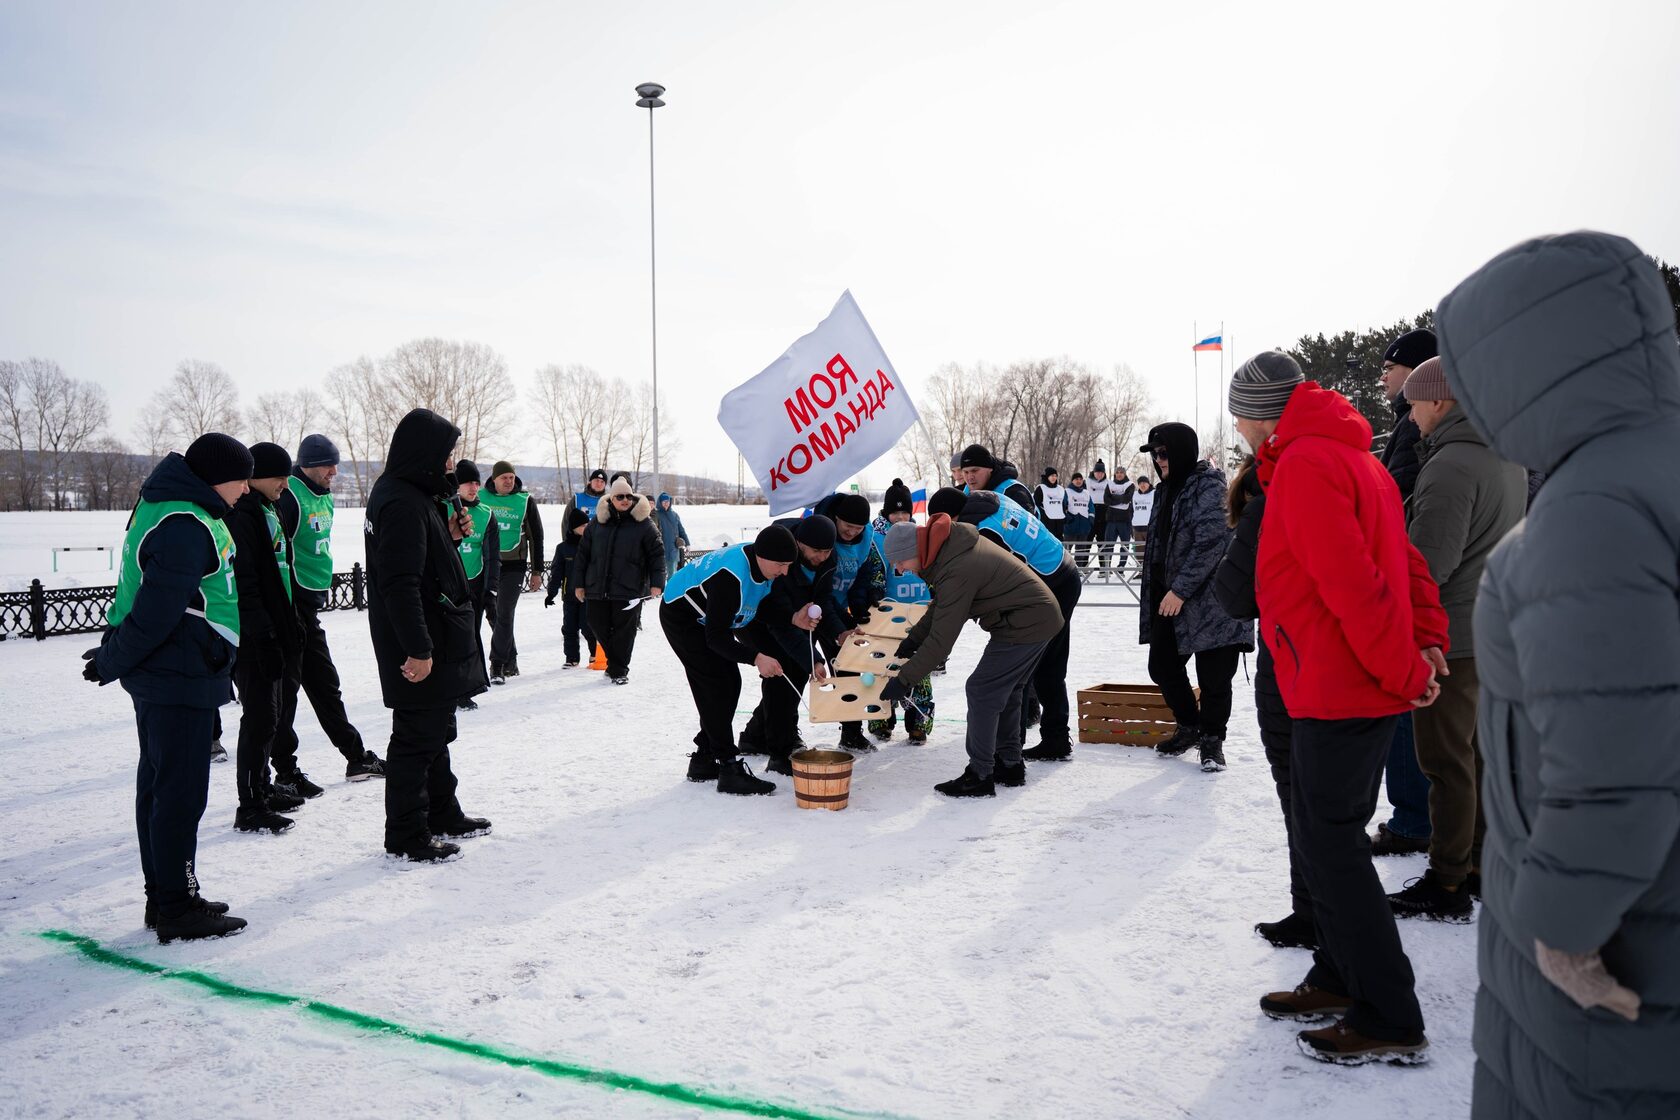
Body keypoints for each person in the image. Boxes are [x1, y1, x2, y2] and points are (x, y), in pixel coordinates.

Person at [1436, 231, 1680, 1118]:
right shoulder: (1653, 465)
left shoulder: (1596, 510)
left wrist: (1563, 926)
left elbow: (1615, 754)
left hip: (1626, 943)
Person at [1230, 350, 1448, 1065]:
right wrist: (1428, 643)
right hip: (1336, 676)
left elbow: (1354, 581)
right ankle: (1336, 973)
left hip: (1341, 682)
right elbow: (1407, 560)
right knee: (1323, 839)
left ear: (1259, 415)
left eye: (1239, 416)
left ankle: (1388, 1013)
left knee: (1332, 846)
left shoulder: (1309, 464)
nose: (1236, 430)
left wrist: (1407, 667)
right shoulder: (1352, 455)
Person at [85, 432, 254, 942]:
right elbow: (158, 611)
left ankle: (166, 898)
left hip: (175, 669)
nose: (245, 490)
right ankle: (177, 909)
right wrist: (113, 658)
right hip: (177, 673)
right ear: (217, 478)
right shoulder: (184, 522)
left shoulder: (180, 510)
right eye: (241, 480)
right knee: (178, 795)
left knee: (160, 788)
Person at [1384, 357, 1527, 923]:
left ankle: (1446, 883)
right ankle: (1478, 864)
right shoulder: (1505, 456)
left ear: (1439, 402)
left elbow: (1428, 567)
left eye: (1414, 403)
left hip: (1453, 636)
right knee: (1483, 755)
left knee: (1446, 762)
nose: (1410, 414)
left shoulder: (1449, 467)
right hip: (1495, 627)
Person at [365, 409, 492, 863]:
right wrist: (418, 649)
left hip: (434, 634)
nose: (450, 465)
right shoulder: (401, 501)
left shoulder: (413, 496)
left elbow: (420, 564)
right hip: (420, 641)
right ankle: (406, 834)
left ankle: (441, 812)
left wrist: (450, 537)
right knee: (417, 738)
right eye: (445, 455)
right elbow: (399, 584)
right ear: (424, 453)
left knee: (436, 732)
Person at [879, 515, 1062, 797]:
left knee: (982, 690)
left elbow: (942, 641)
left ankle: (980, 774)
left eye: (899, 561)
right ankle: (1009, 764)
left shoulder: (957, 567)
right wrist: (914, 639)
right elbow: (941, 606)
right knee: (1009, 689)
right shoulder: (949, 552)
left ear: (913, 552)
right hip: (1034, 617)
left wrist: (904, 680)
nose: (898, 569)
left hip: (1026, 622)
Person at [1214, 457, 1314, 950]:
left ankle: (1315, 914)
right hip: (1328, 660)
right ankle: (1317, 910)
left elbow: (1231, 592)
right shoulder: (1354, 481)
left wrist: (1251, 525)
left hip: (1294, 658)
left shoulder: (1266, 506)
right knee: (1323, 800)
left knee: (1301, 793)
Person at [927, 485, 1082, 761]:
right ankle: (1048, 739)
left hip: (1052, 583)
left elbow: (996, 581)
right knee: (1043, 667)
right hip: (1061, 570)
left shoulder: (984, 532)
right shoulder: (990, 500)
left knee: (1018, 667)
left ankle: (1012, 748)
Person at [1137, 422, 1253, 773]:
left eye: (1163, 453)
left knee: (1215, 676)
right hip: (1169, 597)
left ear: (1182, 450)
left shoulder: (1210, 487)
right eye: (1155, 455)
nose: (1159, 461)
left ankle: (1213, 740)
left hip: (1213, 599)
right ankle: (1190, 725)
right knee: (1162, 666)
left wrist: (1180, 589)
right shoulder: (1163, 490)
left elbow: (1212, 543)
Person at [272, 433, 384, 798]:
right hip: (290, 607)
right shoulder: (289, 496)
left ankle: (356, 758)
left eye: (335, 465)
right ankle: (284, 773)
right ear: (307, 464)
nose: (334, 472)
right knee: (285, 695)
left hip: (310, 607)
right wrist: (282, 608)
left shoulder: (322, 495)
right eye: (327, 465)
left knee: (325, 684)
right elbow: (274, 554)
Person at [659, 525, 798, 795]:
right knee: (719, 683)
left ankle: (704, 757)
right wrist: (756, 657)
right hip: (682, 617)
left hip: (707, 619)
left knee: (726, 684)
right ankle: (728, 768)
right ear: (762, 555)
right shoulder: (730, 578)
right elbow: (717, 638)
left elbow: (759, 607)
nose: (785, 571)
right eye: (781, 564)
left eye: (789, 565)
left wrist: (793, 617)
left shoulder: (764, 567)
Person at [1370, 328, 1440, 859]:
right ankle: (1417, 815)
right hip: (1417, 589)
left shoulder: (1417, 432)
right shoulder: (1406, 427)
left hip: (1414, 591)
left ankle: (1414, 819)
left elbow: (1404, 509)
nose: (1384, 377)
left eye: (1391, 368)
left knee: (1407, 713)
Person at [227, 442, 308, 834]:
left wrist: (291, 623)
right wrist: (263, 635)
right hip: (255, 637)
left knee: (272, 717)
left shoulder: (267, 509)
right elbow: (246, 584)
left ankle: (263, 786)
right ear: (255, 476)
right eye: (280, 476)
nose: (286, 483)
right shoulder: (242, 516)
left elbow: (280, 573)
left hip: (277, 629)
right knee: (258, 719)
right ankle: (251, 804)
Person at [741, 515, 846, 774]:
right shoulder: (781, 561)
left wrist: (840, 633)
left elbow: (823, 603)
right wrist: (812, 659)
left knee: (796, 668)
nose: (823, 557)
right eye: (816, 551)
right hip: (756, 619)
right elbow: (781, 622)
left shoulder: (827, 561)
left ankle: (755, 736)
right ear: (799, 544)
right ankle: (780, 752)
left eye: (828, 551)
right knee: (784, 668)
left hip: (790, 619)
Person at [809, 491, 881, 753]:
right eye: (847, 526)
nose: (852, 532)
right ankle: (761, 734)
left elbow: (862, 572)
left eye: (857, 527)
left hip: (836, 608)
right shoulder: (821, 532)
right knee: (796, 669)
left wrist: (860, 605)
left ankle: (852, 733)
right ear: (836, 519)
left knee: (849, 668)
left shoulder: (866, 538)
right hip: (810, 605)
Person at [573, 477, 664, 684]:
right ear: (611, 498)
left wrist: (657, 582)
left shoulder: (644, 523)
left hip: (629, 587)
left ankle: (619, 669)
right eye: (620, 496)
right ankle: (615, 662)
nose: (625, 500)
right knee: (595, 623)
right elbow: (583, 554)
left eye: (628, 496)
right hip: (597, 585)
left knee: (625, 630)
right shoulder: (598, 522)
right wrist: (579, 583)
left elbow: (657, 554)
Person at [867, 480, 933, 743]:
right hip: (886, 615)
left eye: (904, 513)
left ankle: (919, 721)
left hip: (918, 612)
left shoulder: (920, 536)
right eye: (895, 513)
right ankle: (881, 720)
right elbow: (874, 571)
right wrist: (874, 591)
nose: (900, 517)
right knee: (881, 668)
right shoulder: (876, 538)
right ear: (886, 513)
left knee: (920, 668)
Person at [480, 461, 545, 684]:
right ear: (494, 479)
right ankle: (511, 659)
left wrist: (536, 571)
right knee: (494, 615)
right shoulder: (480, 497)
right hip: (487, 563)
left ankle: (497, 664)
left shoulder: (525, 501)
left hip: (514, 565)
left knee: (505, 612)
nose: (509, 481)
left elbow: (536, 537)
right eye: (504, 477)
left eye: (511, 477)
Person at [448, 460, 500, 712]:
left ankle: (466, 689)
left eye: (477, 483)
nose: (473, 487)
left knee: (470, 636)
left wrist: (491, 590)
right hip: (447, 585)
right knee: (447, 638)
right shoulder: (444, 508)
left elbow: (492, 556)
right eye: (468, 482)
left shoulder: (486, 514)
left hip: (474, 584)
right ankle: (445, 687)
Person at [543, 506, 597, 668]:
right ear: (573, 528)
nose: (586, 528)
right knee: (569, 628)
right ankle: (572, 658)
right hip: (569, 596)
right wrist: (551, 593)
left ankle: (595, 653)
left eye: (587, 525)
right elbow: (556, 573)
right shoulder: (563, 548)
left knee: (588, 627)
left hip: (588, 595)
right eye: (582, 526)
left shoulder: (593, 545)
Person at [956, 443, 1036, 511]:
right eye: (966, 472)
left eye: (975, 471)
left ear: (989, 468)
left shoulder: (1013, 491)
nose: (970, 477)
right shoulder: (965, 494)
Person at [655, 492, 689, 580]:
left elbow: (681, 530)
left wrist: (687, 543)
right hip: (661, 550)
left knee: (672, 574)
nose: (666, 503)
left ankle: (671, 592)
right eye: (664, 501)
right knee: (661, 576)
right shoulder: (657, 515)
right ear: (660, 502)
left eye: (668, 501)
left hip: (674, 550)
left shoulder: (675, 515)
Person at [1063, 471, 1094, 563]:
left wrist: (1090, 520)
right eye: (1076, 479)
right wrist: (1068, 518)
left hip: (1084, 526)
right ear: (1072, 481)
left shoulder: (1086, 493)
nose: (1079, 481)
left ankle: (1079, 569)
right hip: (1071, 526)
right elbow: (1062, 506)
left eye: (1080, 479)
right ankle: (1065, 568)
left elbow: (1091, 507)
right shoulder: (1067, 491)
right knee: (1066, 550)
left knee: (1081, 551)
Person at [1035, 467, 1067, 539]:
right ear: (1047, 476)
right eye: (1052, 476)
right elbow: (1036, 504)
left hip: (1059, 520)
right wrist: (1043, 516)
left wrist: (1065, 516)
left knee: (1059, 541)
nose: (1054, 478)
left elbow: (1063, 504)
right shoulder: (1041, 488)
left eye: (1055, 476)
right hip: (1047, 520)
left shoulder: (1061, 489)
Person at [1130, 476, 1154, 569]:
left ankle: (1150, 571)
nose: (1142, 485)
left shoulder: (1154, 493)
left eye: (1144, 483)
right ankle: (1140, 570)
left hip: (1149, 527)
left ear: (1148, 483)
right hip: (1137, 527)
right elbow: (1131, 511)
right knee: (1139, 552)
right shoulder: (1135, 495)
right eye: (1140, 483)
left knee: (1150, 550)